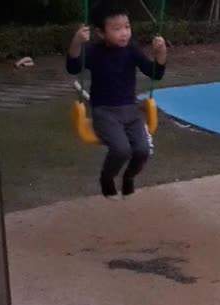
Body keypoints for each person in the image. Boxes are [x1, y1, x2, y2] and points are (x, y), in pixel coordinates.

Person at [66, 4, 167, 198]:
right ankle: (107, 177)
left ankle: (129, 177)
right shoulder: (94, 52)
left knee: (142, 150)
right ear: (101, 33)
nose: (124, 33)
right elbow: (72, 67)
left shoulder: (131, 50)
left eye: (127, 27)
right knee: (121, 149)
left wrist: (161, 52)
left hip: (131, 110)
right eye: (116, 28)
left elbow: (155, 72)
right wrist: (77, 42)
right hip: (105, 111)